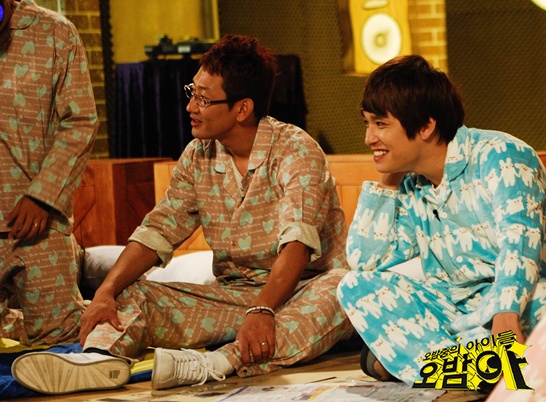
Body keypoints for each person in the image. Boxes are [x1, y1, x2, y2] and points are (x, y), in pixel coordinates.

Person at [11, 34, 355, 395]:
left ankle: (217, 364)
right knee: (132, 292)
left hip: (302, 294)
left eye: (203, 99)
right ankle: (97, 360)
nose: (191, 106)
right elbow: (158, 230)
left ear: (242, 109)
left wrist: (263, 310)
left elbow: (297, 244)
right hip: (234, 298)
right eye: (192, 92)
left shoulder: (296, 151)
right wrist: (106, 291)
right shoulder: (197, 155)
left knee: (343, 289)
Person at [336, 55, 546, 389]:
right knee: (354, 286)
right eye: (367, 124)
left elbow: (519, 242)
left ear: (425, 126)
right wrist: (387, 180)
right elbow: (366, 262)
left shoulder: (502, 155)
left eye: (380, 124)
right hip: (456, 315)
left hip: (522, 302)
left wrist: (505, 312)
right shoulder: (411, 185)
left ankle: (425, 366)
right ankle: (490, 369)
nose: (369, 138)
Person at [0, 0, 98, 346]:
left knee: (59, 342)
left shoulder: (55, 33)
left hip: (38, 227)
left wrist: (43, 196)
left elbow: (80, 122)